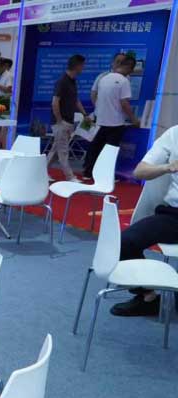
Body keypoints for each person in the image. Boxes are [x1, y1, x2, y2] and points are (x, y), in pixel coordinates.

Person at [110, 125, 178, 316]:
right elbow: (140, 171)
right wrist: (167, 167)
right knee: (123, 242)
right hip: (173, 215)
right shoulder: (174, 134)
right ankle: (148, 296)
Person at [83, 55, 139, 180]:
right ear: (129, 67)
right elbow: (124, 103)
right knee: (110, 151)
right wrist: (134, 119)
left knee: (95, 147)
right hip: (116, 123)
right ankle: (106, 176)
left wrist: (99, 110)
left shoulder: (104, 78)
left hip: (100, 120)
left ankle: (88, 172)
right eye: (131, 70)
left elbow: (94, 95)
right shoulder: (124, 81)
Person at [47, 54, 88, 183]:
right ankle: (70, 176)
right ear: (77, 66)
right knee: (63, 151)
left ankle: (41, 171)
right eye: (82, 65)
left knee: (56, 149)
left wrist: (84, 114)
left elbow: (75, 100)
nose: (84, 68)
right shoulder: (62, 81)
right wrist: (59, 121)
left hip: (68, 121)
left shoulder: (72, 81)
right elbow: (55, 102)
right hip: (61, 122)